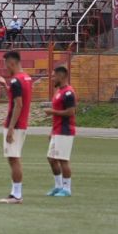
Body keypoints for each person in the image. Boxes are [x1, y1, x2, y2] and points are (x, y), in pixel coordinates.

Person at [0, 50, 32, 204]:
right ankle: (15, 193)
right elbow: (17, 98)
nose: (6, 68)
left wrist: (10, 128)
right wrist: (4, 84)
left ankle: (17, 195)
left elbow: (19, 104)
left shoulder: (16, 80)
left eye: (6, 65)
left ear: (12, 63)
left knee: (13, 159)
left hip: (15, 125)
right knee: (14, 158)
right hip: (21, 124)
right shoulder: (26, 78)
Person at [43, 65, 77, 197]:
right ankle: (58, 186)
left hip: (65, 130)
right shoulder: (59, 92)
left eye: (54, 76)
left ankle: (67, 189)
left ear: (61, 76)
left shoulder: (69, 92)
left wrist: (52, 112)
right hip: (57, 130)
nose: (52, 78)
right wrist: (52, 131)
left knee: (63, 160)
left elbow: (71, 112)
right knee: (51, 158)